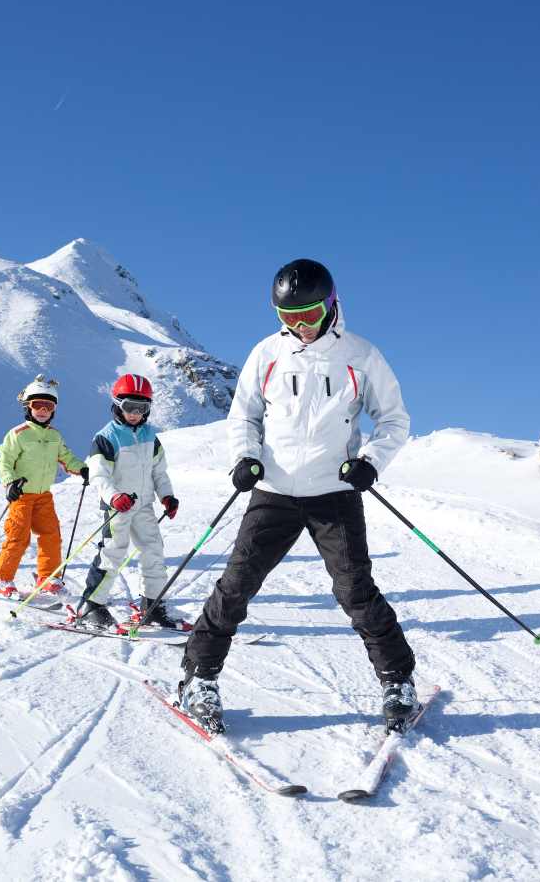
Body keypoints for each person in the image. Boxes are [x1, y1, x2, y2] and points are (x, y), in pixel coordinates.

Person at [178, 259, 416, 733]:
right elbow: (243, 415)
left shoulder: (361, 356)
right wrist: (245, 457)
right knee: (237, 585)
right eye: (288, 318)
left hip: (334, 492)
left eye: (308, 315)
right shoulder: (267, 354)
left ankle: (398, 679)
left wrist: (370, 462)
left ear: (329, 306)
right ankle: (198, 677)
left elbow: (394, 420)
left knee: (355, 591)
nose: (300, 327)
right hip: (274, 491)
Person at [74, 373, 183, 630]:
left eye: (141, 408)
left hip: (144, 505)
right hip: (118, 507)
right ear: (116, 404)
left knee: (154, 551)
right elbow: (99, 474)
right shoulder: (106, 437)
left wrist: (166, 496)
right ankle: (91, 604)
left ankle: (152, 605)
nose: (135, 414)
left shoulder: (150, 436)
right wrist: (114, 496)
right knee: (113, 552)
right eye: (129, 407)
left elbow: (159, 471)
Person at [0, 374, 88, 597]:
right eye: (37, 405)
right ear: (28, 406)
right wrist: (10, 483)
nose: (42, 410)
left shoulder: (55, 436)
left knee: (51, 535)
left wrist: (81, 468)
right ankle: (1, 580)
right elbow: (4, 461)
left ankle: (47, 577)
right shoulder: (18, 434)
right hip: (21, 495)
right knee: (18, 537)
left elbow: (66, 457)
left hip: (44, 496)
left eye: (48, 405)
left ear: (54, 410)